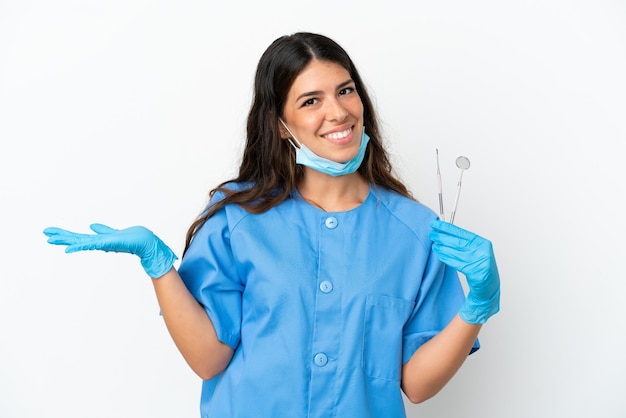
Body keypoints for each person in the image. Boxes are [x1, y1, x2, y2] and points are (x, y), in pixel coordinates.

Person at [44, 32, 500, 418]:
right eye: (310, 100)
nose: (338, 112)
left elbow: (416, 385)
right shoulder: (239, 219)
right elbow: (209, 359)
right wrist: (160, 266)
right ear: (282, 124)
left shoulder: (416, 230)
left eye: (345, 90)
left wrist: (476, 305)